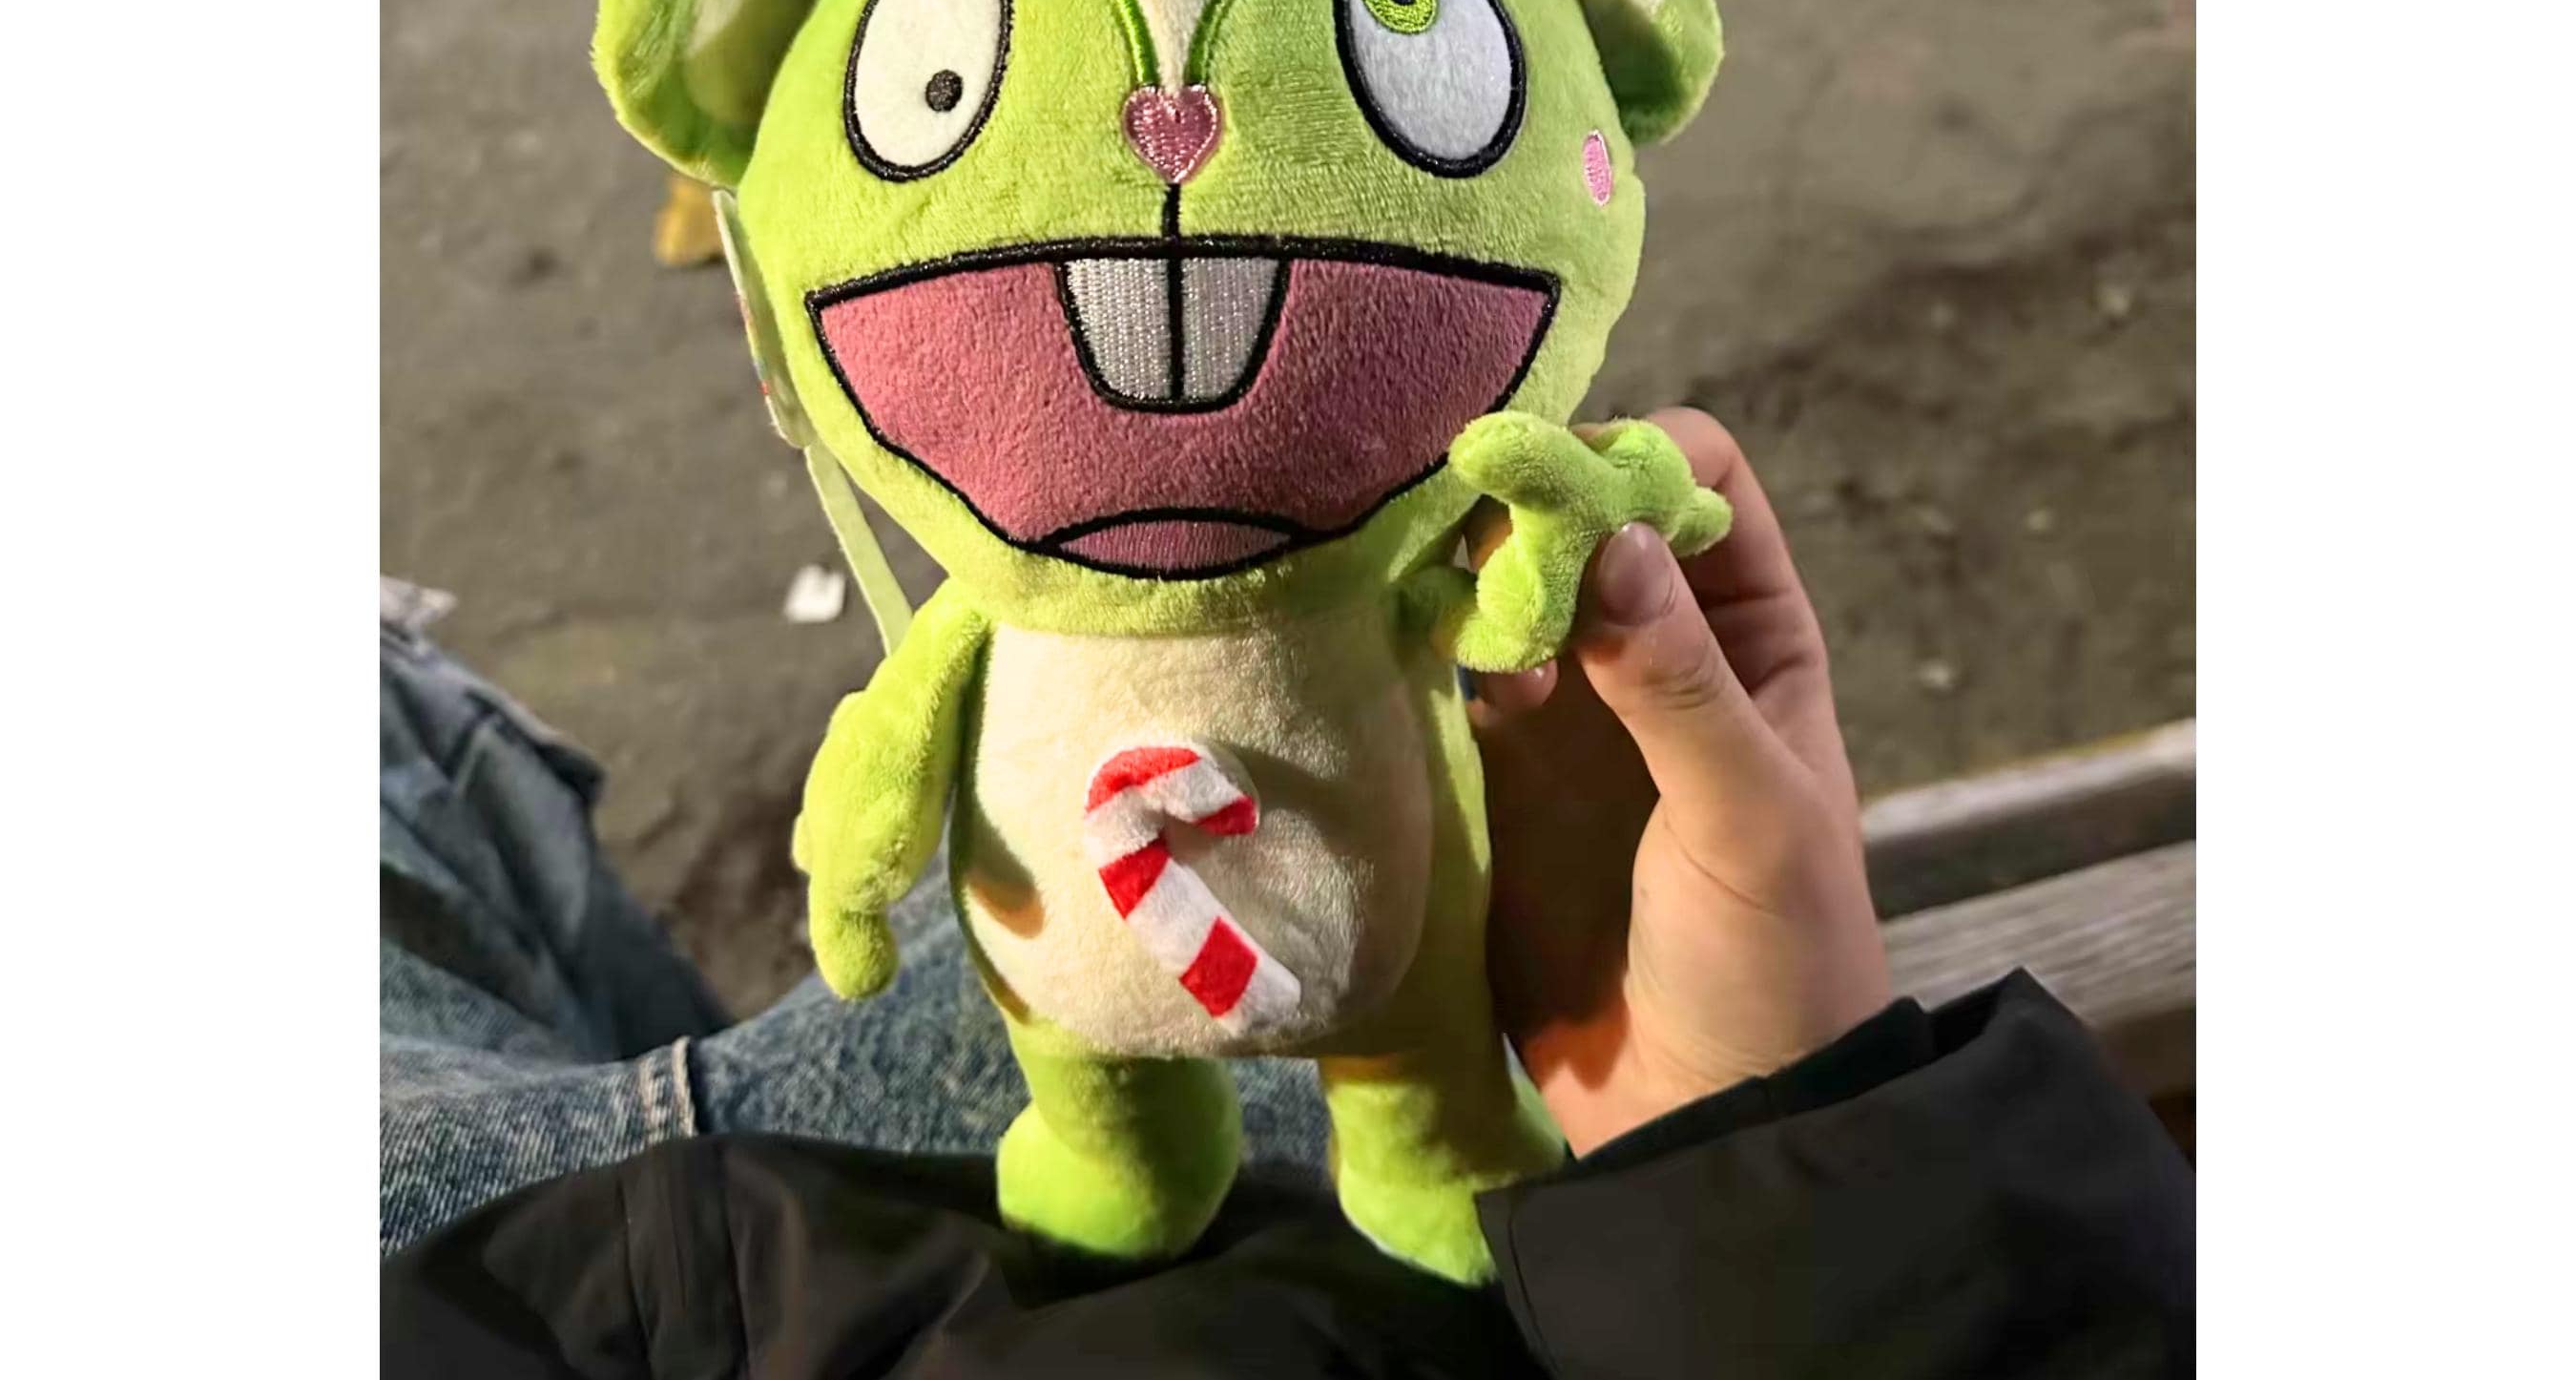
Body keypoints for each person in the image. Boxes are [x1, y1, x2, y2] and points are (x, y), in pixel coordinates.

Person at [381, 410, 2193, 1376]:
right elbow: (903, 723)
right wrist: (1777, 1152)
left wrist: (850, 884)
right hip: (1348, 1171)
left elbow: (898, 742)